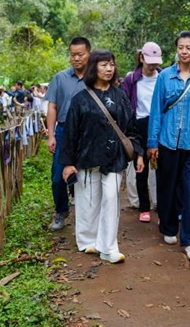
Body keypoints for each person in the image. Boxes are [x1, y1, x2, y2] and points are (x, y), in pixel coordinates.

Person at [60, 50, 144, 264]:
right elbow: (71, 131)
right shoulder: (80, 98)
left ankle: (108, 246)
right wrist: (68, 163)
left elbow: (131, 127)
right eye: (104, 65)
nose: (109, 69)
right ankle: (88, 240)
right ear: (94, 68)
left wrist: (139, 154)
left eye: (111, 65)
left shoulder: (121, 96)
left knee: (111, 199)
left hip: (114, 156)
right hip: (87, 156)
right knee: (88, 200)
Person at [147, 30, 190, 262]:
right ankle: (168, 227)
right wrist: (152, 142)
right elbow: (156, 110)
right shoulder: (165, 76)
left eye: (189, 47)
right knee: (167, 185)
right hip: (167, 140)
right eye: (181, 47)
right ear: (176, 50)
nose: (184, 51)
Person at [46, 37, 92, 231]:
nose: (76, 59)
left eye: (80, 54)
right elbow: (52, 107)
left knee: (87, 175)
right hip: (64, 130)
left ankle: (87, 217)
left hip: (87, 132)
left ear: (89, 54)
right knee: (58, 176)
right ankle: (61, 210)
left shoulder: (95, 78)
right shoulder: (60, 78)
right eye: (73, 55)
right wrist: (51, 135)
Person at [122, 41, 162, 223]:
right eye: (150, 60)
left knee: (162, 168)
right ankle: (144, 207)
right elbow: (125, 104)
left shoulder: (163, 76)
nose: (153, 64)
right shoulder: (132, 79)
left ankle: (162, 205)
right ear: (141, 58)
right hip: (139, 125)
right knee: (141, 167)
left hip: (160, 125)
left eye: (156, 61)